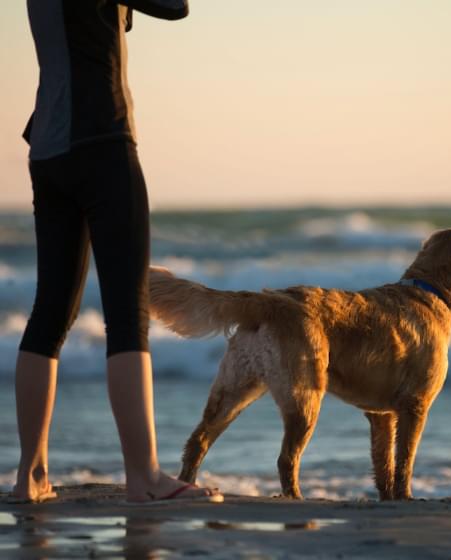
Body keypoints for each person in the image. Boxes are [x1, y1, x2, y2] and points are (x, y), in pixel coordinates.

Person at [10, 0, 222, 504]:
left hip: (48, 148)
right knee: (127, 316)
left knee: (50, 313)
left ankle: (30, 477)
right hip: (102, 139)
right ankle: (145, 477)